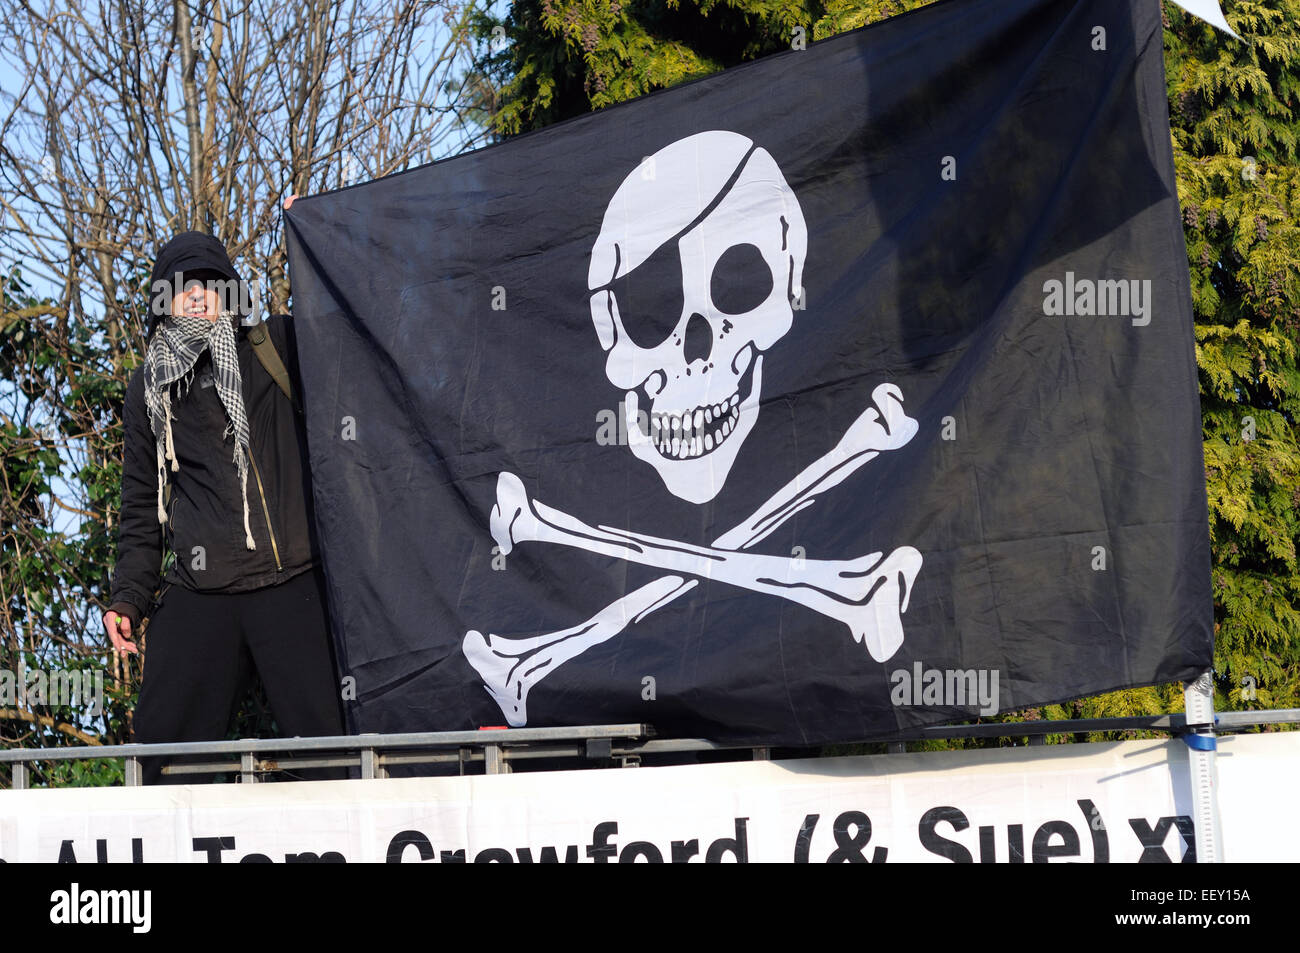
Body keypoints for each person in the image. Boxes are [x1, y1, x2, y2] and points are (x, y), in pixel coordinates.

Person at [103, 227, 347, 784]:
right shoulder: (149, 390)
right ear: (163, 300)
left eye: (208, 283)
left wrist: (311, 225)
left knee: (337, 757)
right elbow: (140, 509)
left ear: (228, 293)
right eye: (180, 285)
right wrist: (129, 600)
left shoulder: (275, 347)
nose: (195, 294)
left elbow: (342, 318)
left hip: (292, 576)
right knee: (160, 768)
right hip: (203, 589)